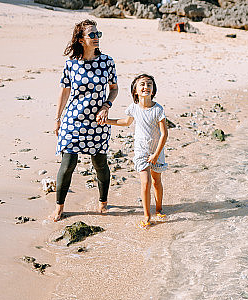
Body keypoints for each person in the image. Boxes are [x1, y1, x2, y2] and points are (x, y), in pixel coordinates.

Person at [51, 20, 118, 222]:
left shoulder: (107, 61)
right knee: (68, 162)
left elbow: (114, 88)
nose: (96, 37)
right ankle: (59, 208)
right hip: (73, 119)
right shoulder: (71, 65)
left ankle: (103, 203)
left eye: (98, 34)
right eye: (92, 35)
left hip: (98, 122)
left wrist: (106, 106)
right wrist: (57, 118)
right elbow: (64, 91)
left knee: (100, 163)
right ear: (81, 39)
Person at [106, 73, 168, 229]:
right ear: (135, 91)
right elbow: (125, 122)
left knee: (156, 181)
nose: (145, 87)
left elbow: (164, 134)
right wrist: (107, 121)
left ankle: (159, 208)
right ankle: (147, 216)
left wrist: (156, 154)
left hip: (156, 150)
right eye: (142, 84)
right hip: (141, 150)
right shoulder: (133, 108)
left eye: (149, 84)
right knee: (145, 183)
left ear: (153, 90)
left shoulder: (158, 109)